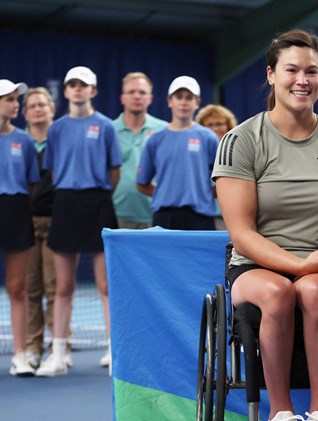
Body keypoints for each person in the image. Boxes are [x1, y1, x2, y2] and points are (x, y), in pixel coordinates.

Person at [211, 29, 318, 421]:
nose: (303, 80)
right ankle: (280, 413)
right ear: (271, 74)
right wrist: (300, 266)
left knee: (315, 290)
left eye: (312, 71)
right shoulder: (241, 140)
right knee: (281, 292)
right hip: (254, 266)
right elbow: (242, 234)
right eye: (292, 70)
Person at [36, 66, 121, 377]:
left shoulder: (107, 127)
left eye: (83, 85)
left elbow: (114, 172)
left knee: (105, 285)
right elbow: (53, 169)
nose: (77, 89)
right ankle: (58, 355)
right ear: (68, 91)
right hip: (66, 204)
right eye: (72, 84)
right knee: (63, 287)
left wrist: (94, 192)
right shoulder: (56, 129)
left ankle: (114, 352)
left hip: (98, 204)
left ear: (93, 91)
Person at [22, 87, 73, 369]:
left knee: (57, 287)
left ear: (52, 109)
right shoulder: (19, 143)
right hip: (26, 225)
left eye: (43, 104)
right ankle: (32, 346)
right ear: (26, 113)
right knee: (31, 288)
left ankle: (59, 345)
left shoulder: (62, 139)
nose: (38, 109)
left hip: (58, 221)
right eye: (33, 106)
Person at [136, 76, 219, 230]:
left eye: (189, 97)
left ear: (197, 103)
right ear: (170, 101)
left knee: (198, 255)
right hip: (164, 216)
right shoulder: (156, 139)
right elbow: (142, 183)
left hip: (200, 216)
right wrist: (166, 193)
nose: (184, 102)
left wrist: (203, 195)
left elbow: (224, 180)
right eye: (179, 97)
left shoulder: (208, 138)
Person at [0, 78, 39, 377]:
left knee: (17, 288)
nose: (16, 104)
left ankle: (21, 355)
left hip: (15, 211)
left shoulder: (24, 141)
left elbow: (30, 184)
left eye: (16, 99)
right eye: (10, 99)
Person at [112, 72, 168, 229]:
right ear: (122, 98)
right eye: (131, 92)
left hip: (154, 214)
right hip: (117, 214)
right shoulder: (109, 130)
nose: (137, 96)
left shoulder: (164, 130)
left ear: (150, 98)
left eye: (142, 92)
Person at [196, 104, 237, 230]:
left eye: (219, 124)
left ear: (228, 125)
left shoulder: (238, 150)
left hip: (231, 217)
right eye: (209, 125)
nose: (214, 129)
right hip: (203, 216)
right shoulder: (196, 153)